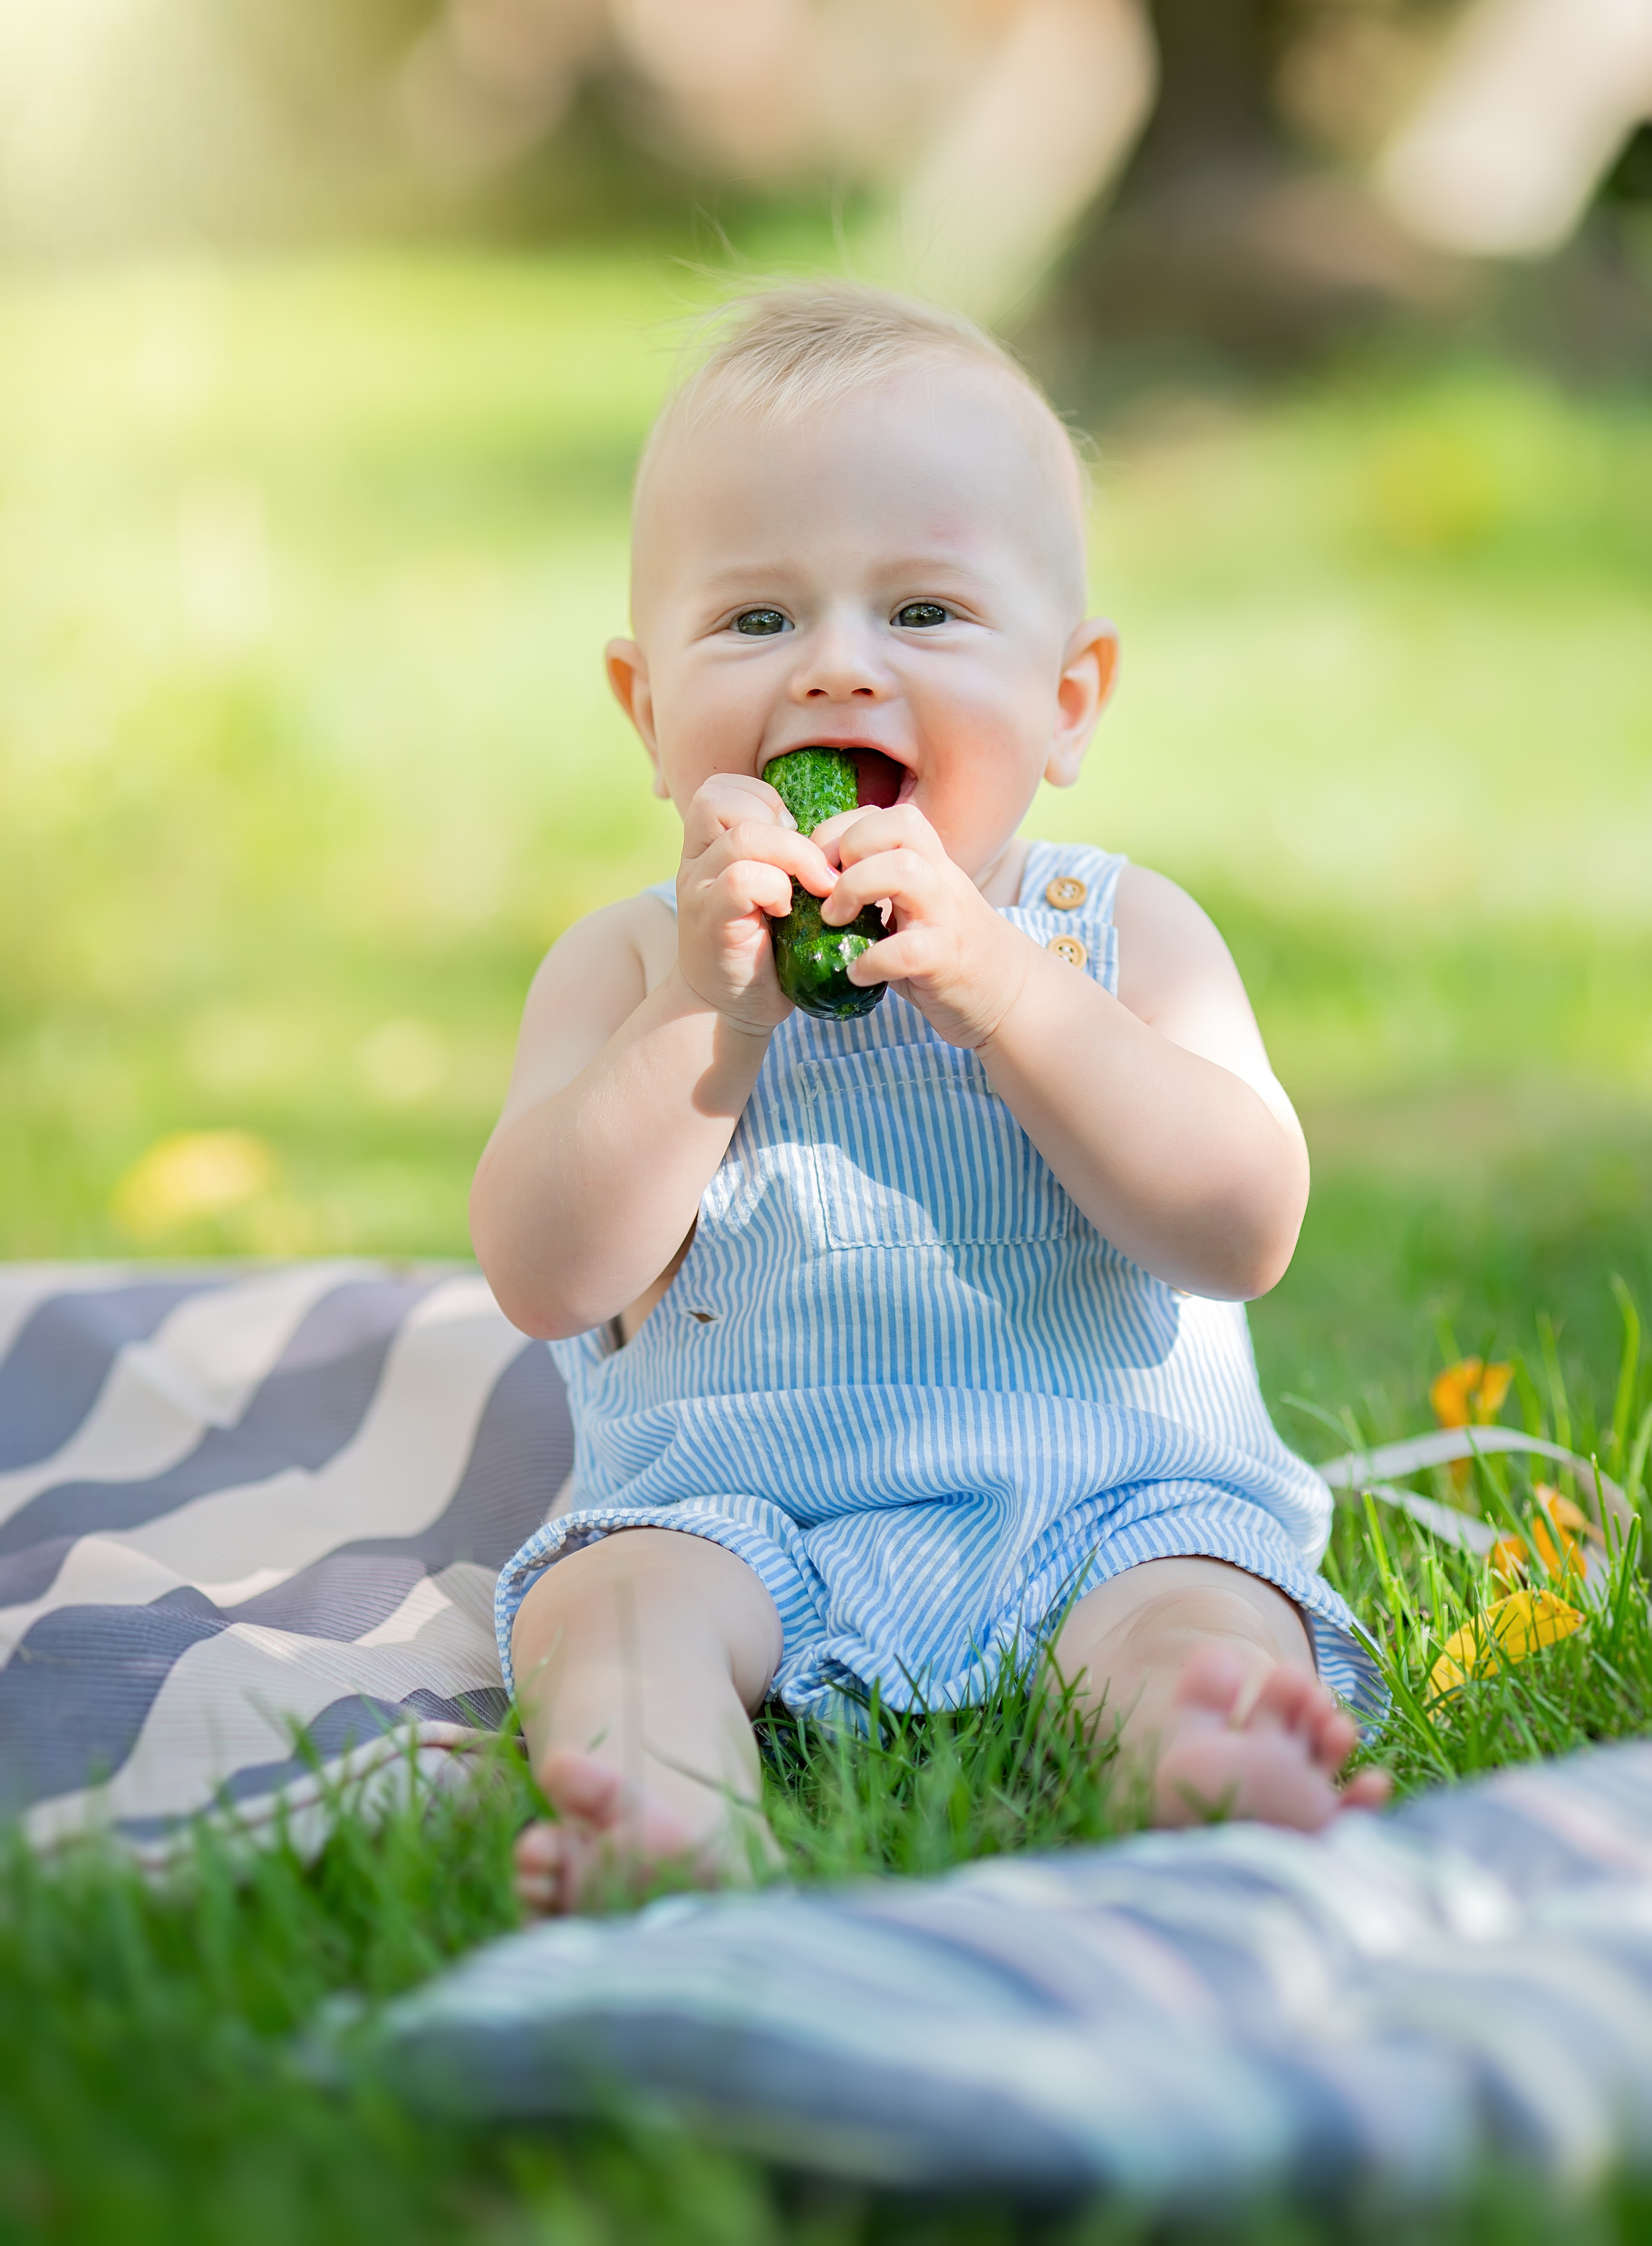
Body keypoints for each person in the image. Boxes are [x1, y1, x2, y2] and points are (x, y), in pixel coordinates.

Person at [471, 282, 1388, 1916]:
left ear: (1069, 700)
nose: (835, 671)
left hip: (1108, 1495)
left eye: (924, 614)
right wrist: (708, 1015)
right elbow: (546, 1273)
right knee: (605, 1613)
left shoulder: (1117, 940)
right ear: (644, 711)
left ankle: (1202, 1744)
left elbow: (1238, 1228)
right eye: (754, 622)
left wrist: (1013, 996)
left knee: (1188, 1613)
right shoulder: (626, 972)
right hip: (735, 1511)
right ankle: (666, 1808)